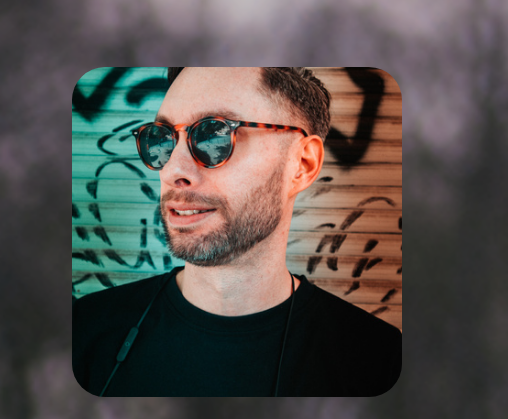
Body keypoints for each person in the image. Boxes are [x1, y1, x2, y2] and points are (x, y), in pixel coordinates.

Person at [72, 66, 401, 396]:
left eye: (213, 136)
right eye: (162, 138)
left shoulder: (378, 362)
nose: (173, 169)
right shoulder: (83, 333)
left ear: (302, 164)